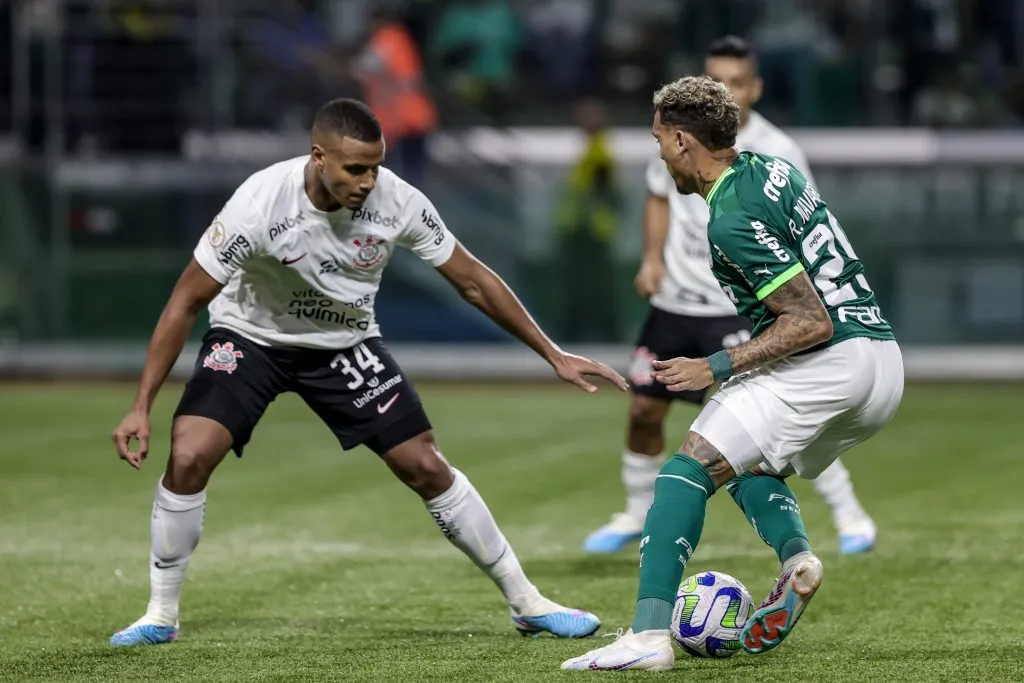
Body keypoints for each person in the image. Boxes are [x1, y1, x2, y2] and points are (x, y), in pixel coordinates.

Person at [109, 98, 628, 647]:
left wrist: (553, 353)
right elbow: (185, 302)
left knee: (425, 465)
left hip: (343, 345)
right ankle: (161, 615)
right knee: (189, 454)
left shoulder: (398, 202)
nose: (367, 180)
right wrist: (141, 404)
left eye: (375, 166)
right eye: (355, 168)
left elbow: (472, 280)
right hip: (250, 337)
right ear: (317, 157)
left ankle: (528, 603)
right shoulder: (259, 204)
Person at [561, 76, 903, 671]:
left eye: (661, 140)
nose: (659, 153)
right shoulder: (770, 169)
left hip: (832, 356)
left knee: (685, 469)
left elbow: (809, 320)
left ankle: (647, 639)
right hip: (883, 362)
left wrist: (713, 365)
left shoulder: (730, 219)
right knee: (747, 467)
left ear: (686, 143)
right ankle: (797, 562)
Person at [584, 36, 878, 557]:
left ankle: (848, 511)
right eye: (716, 79)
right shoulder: (678, 138)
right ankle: (634, 510)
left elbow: (800, 224)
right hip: (675, 302)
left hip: (736, 308)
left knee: (771, 432)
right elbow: (658, 197)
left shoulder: (777, 151)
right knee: (645, 409)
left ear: (755, 88)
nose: (726, 90)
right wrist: (652, 259)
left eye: (736, 82)